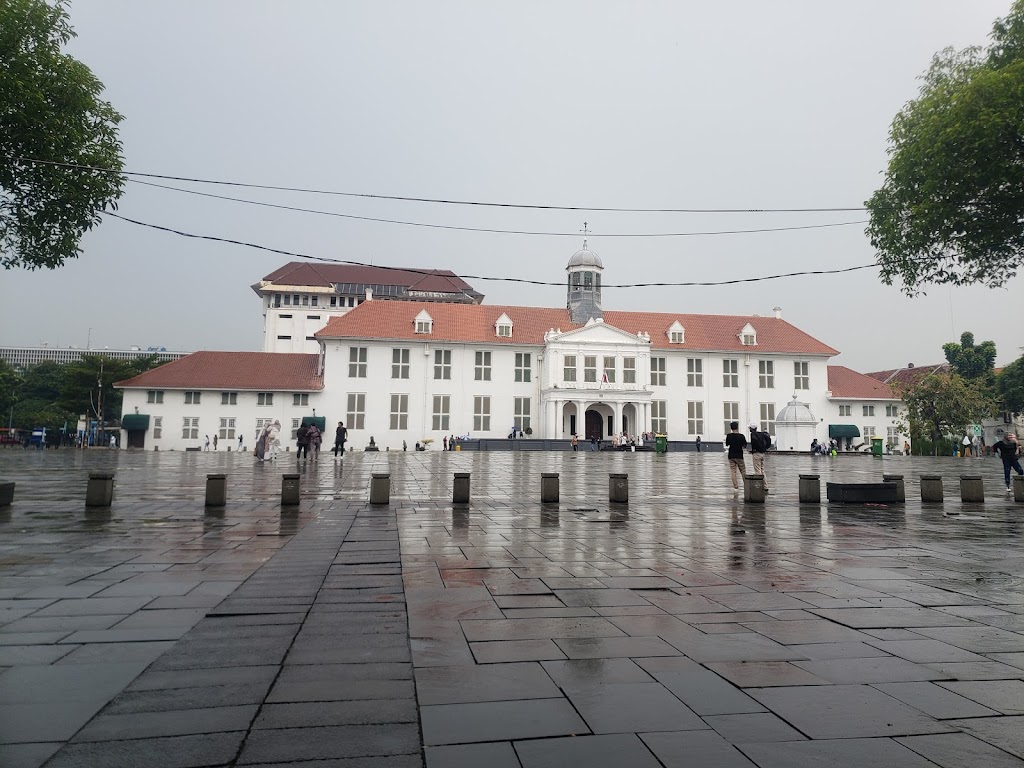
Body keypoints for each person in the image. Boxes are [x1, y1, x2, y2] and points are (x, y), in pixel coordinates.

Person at [748, 422, 770, 493]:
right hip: (762, 453)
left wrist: (753, 450)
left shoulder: (753, 434)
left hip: (756, 454)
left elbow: (754, 443)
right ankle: (766, 486)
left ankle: (759, 486)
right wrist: (766, 448)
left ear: (751, 428)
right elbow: (768, 440)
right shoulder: (761, 434)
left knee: (757, 470)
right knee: (762, 470)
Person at [725, 421, 747, 492]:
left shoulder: (729, 436)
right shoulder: (741, 436)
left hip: (731, 455)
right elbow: (745, 445)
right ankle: (746, 485)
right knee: (743, 471)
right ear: (737, 427)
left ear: (731, 428)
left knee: (733, 471)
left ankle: (736, 487)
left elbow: (727, 444)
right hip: (739, 455)